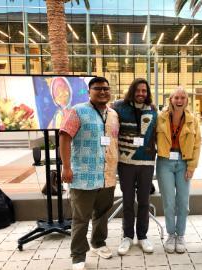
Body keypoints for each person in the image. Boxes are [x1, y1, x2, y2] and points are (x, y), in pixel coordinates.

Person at [59, 77, 119, 270]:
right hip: (83, 176)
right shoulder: (77, 110)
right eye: (98, 88)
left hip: (107, 175)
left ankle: (98, 243)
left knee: (102, 214)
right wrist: (66, 167)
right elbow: (64, 137)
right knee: (81, 218)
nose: (103, 92)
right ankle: (78, 255)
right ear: (89, 91)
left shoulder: (113, 114)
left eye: (106, 89)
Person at [113, 78, 157, 255]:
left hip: (146, 163)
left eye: (144, 91)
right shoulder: (119, 107)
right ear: (132, 90)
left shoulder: (153, 110)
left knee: (145, 202)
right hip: (126, 163)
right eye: (138, 90)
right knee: (128, 201)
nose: (141, 94)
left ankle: (143, 236)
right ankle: (127, 236)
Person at [156, 87, 201, 253]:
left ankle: (180, 235)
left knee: (183, 202)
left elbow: (196, 145)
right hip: (164, 162)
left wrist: (192, 166)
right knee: (169, 202)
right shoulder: (160, 117)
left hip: (184, 162)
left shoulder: (193, 120)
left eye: (182, 97)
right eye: (176, 97)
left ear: (187, 100)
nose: (179, 100)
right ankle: (170, 234)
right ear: (171, 99)